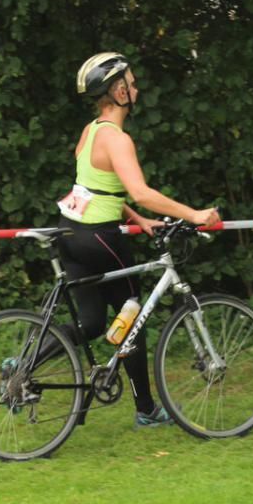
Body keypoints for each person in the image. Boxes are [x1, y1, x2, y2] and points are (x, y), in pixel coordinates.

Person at [52, 52, 220, 427]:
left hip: (70, 233)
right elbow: (140, 191)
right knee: (133, 318)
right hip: (101, 240)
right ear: (118, 90)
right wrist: (193, 215)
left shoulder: (90, 131)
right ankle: (146, 410)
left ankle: (26, 362)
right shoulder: (118, 139)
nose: (137, 88)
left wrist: (137, 218)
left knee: (94, 323)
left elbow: (95, 188)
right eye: (132, 82)